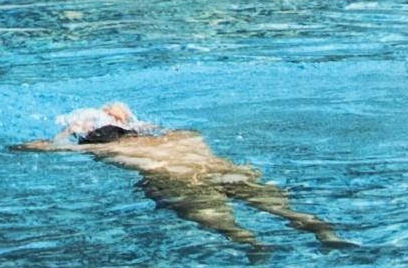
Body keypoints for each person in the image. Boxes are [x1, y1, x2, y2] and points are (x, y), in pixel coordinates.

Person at [21, 105, 347, 254]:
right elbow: (144, 125)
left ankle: (254, 245)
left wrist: (68, 130)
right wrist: (128, 119)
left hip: (175, 180)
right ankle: (323, 232)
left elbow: (35, 148)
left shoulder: (103, 151)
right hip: (222, 168)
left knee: (223, 223)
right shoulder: (182, 136)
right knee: (282, 209)